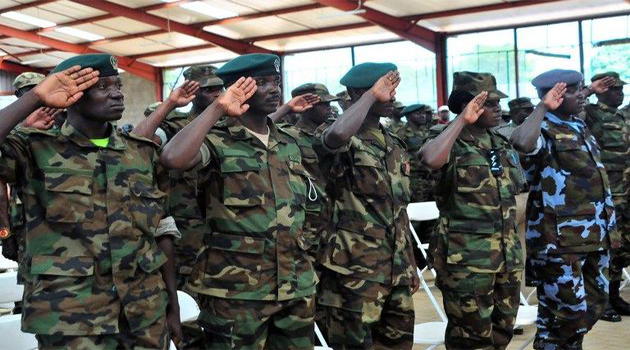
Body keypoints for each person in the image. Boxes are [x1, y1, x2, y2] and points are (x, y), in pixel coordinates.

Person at [0, 53, 182, 349]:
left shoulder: (141, 153)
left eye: (118, 85)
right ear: (71, 96)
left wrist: (171, 305)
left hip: (143, 311)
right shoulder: (35, 148)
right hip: (71, 315)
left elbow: (160, 230)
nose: (117, 93)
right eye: (103, 87)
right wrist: (34, 97)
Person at [160, 53, 318, 349]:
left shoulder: (288, 142)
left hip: (295, 285)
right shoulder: (216, 140)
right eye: (261, 82)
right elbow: (172, 158)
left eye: (276, 82)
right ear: (235, 89)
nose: (274, 89)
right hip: (236, 291)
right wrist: (219, 107)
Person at [511, 69, 617, 350]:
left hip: (595, 235)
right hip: (557, 243)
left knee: (593, 304)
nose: (581, 96)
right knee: (566, 312)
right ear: (551, 96)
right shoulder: (540, 128)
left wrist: (589, 90)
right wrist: (542, 107)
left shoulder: (577, 126)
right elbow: (520, 143)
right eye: (572, 91)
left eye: (581, 89)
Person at [316, 62, 418, 350]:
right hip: (353, 270)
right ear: (358, 93)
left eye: (393, 89)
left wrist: (410, 262)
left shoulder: (394, 143)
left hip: (395, 268)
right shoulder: (339, 135)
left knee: (398, 344)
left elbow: (400, 211)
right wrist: (371, 97)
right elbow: (335, 139)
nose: (392, 96)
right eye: (384, 90)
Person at [420, 72, 524, 350]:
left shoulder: (499, 142)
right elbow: (430, 159)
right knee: (470, 338)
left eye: (497, 102)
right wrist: (460, 121)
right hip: (466, 259)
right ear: (469, 105)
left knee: (502, 330)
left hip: (506, 254)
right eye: (488, 103)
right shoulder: (445, 138)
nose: (497, 108)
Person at [583, 72, 630, 322]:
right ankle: (601, 303)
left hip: (626, 193)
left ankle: (614, 296)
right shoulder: (591, 113)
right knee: (606, 249)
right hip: (606, 195)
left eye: (622, 89)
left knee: (623, 249)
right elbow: (572, 101)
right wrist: (589, 89)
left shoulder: (623, 114)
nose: (620, 93)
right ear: (601, 90)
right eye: (614, 89)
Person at [278, 83, 339, 263]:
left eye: (329, 104)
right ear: (305, 106)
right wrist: (286, 109)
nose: (329, 108)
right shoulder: (289, 135)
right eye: (323, 104)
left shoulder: (336, 133)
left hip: (337, 213)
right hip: (309, 217)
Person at [396, 104, 433, 202]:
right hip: (414, 178)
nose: (423, 116)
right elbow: (398, 157)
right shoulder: (401, 134)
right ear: (408, 116)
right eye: (418, 113)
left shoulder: (428, 131)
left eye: (423, 113)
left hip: (431, 176)